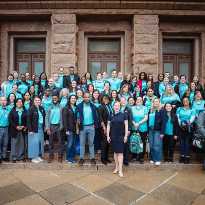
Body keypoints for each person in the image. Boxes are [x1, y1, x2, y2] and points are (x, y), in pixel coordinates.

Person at [76, 93, 98, 166]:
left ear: (90, 98)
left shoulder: (93, 106)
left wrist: (94, 124)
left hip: (91, 127)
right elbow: (78, 118)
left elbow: (96, 116)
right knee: (82, 143)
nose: (87, 98)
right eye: (85, 97)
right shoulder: (79, 106)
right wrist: (77, 128)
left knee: (91, 143)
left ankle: (92, 158)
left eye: (88, 97)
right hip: (82, 127)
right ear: (83, 97)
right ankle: (82, 158)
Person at [107, 101, 128, 178]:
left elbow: (126, 125)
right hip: (113, 135)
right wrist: (108, 136)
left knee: (120, 153)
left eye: (118, 106)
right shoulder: (110, 115)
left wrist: (126, 135)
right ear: (113, 107)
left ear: (120, 107)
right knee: (115, 152)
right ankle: (116, 167)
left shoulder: (124, 115)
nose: (117, 107)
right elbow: (108, 126)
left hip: (121, 135)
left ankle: (120, 169)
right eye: (115, 106)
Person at [176, 97, 196, 164]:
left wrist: (186, 126)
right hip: (181, 128)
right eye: (184, 101)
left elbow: (192, 119)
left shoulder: (192, 109)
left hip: (188, 128)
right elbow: (178, 118)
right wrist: (181, 125)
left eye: (186, 101)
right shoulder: (179, 109)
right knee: (182, 143)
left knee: (187, 143)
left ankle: (187, 157)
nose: (185, 102)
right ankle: (182, 156)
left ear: (189, 101)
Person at [45, 95, 64, 163]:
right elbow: (46, 118)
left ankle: (60, 156)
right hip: (51, 127)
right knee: (51, 143)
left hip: (59, 126)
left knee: (60, 143)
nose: (54, 99)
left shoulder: (61, 107)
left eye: (56, 98)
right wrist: (47, 128)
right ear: (51, 99)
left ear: (58, 99)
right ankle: (51, 156)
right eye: (53, 98)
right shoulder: (49, 108)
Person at [148, 97, 166, 165]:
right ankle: (153, 158)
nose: (155, 103)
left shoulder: (162, 110)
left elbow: (164, 122)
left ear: (159, 103)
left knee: (157, 145)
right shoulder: (150, 110)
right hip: (150, 129)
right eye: (154, 102)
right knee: (151, 145)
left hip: (158, 130)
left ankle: (158, 159)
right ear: (152, 103)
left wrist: (162, 132)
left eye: (157, 102)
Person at [27, 96, 45, 163]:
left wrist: (44, 127)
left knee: (39, 142)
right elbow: (28, 120)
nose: (37, 101)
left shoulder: (41, 108)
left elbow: (43, 118)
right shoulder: (31, 109)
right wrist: (30, 130)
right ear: (33, 101)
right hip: (34, 128)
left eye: (38, 100)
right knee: (33, 143)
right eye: (36, 100)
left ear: (40, 101)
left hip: (40, 127)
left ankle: (37, 155)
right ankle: (33, 157)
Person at [130, 96, 148, 164]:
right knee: (134, 142)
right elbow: (130, 117)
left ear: (142, 101)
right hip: (134, 127)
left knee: (141, 143)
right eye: (138, 99)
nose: (139, 101)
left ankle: (141, 157)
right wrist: (134, 124)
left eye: (140, 100)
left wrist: (138, 123)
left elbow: (146, 118)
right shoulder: (132, 108)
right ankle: (134, 157)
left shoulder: (145, 108)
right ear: (136, 101)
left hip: (143, 128)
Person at [8, 98, 27, 163]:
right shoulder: (12, 111)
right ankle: (14, 157)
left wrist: (23, 126)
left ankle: (22, 157)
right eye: (17, 102)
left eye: (20, 102)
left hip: (22, 128)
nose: (19, 103)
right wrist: (16, 127)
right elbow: (10, 120)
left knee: (22, 142)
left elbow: (27, 120)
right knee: (14, 143)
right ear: (15, 103)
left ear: (22, 103)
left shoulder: (25, 111)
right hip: (14, 128)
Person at [98, 95, 113, 164]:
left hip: (110, 127)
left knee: (108, 142)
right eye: (104, 99)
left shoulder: (110, 106)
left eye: (107, 99)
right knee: (104, 142)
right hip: (104, 127)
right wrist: (104, 128)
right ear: (102, 100)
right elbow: (100, 118)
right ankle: (103, 158)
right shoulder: (100, 107)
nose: (106, 100)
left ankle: (106, 157)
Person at [63, 95, 77, 163]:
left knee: (74, 143)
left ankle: (72, 156)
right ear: (69, 99)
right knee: (70, 143)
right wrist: (66, 130)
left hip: (75, 128)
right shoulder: (66, 108)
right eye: (72, 98)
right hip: (69, 128)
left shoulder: (76, 107)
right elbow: (64, 119)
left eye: (74, 98)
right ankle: (68, 157)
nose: (73, 100)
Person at [120, 97, 132, 166]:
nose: (123, 102)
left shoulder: (128, 109)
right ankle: (120, 160)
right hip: (119, 130)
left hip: (126, 130)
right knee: (120, 145)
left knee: (126, 145)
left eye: (124, 101)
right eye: (121, 101)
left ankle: (125, 160)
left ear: (126, 102)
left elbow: (130, 120)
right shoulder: (118, 109)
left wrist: (129, 129)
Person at [0, 97, 11, 163]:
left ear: (6, 101)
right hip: (0, 128)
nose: (3, 101)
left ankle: (4, 156)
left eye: (4, 100)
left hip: (7, 128)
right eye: (2, 100)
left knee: (5, 143)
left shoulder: (9, 109)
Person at [92, 89, 101, 153]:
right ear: (92, 94)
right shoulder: (91, 102)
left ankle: (98, 148)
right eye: (94, 93)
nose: (96, 94)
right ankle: (93, 148)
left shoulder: (100, 102)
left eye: (97, 93)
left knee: (98, 135)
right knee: (92, 136)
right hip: (92, 121)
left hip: (99, 121)